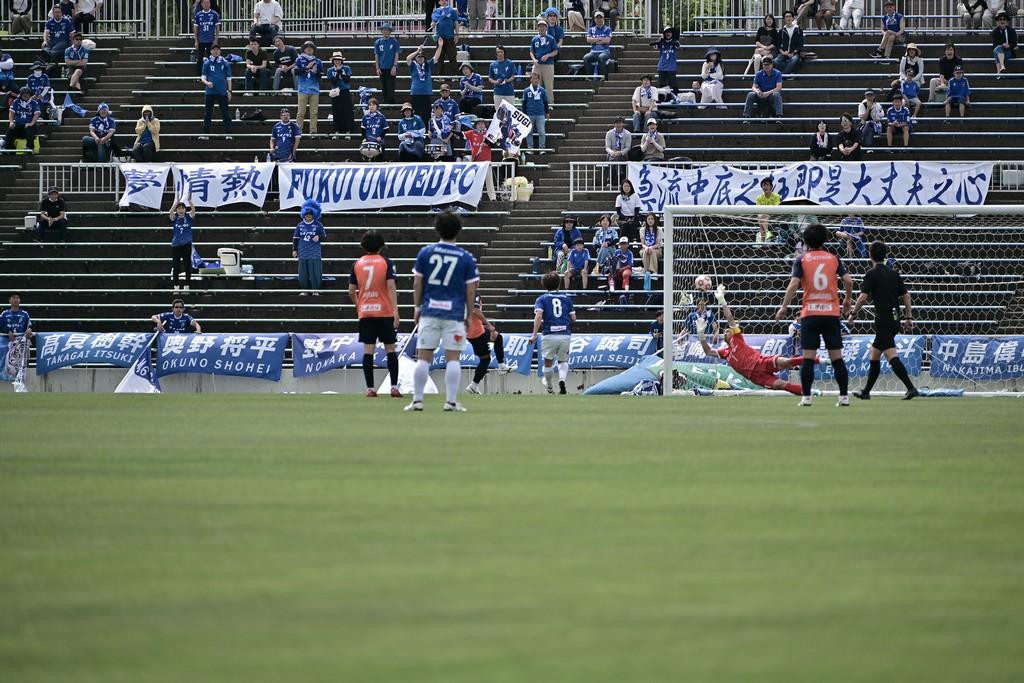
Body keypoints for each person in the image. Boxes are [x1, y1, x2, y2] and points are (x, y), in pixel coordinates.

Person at [774, 222, 854, 406]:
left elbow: (794, 284)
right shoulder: (833, 259)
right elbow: (848, 281)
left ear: (806, 241)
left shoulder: (802, 259)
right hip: (831, 314)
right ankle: (843, 397)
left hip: (810, 314)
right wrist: (847, 300)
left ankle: (807, 398)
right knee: (837, 358)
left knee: (808, 358)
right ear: (824, 239)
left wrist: (784, 307)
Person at [407, 211, 480, 413]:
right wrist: (468, 314)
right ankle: (451, 402)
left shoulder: (425, 253)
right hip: (454, 314)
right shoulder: (466, 257)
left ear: (437, 229)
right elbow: (471, 289)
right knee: (453, 358)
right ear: (458, 231)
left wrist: (417, 307)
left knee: (423, 357)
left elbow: (417, 283)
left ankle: (417, 401)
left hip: (430, 311)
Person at [695, 287, 804, 395]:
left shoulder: (737, 338)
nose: (725, 332)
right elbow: (708, 351)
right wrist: (701, 335)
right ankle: (807, 393)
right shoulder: (725, 353)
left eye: (728, 331)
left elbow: (730, 319)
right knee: (780, 385)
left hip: (761, 363)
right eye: (724, 331)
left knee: (786, 362)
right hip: (756, 377)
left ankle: (812, 359)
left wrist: (723, 301)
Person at [848, 240, 919, 400]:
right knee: (874, 354)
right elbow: (906, 295)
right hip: (894, 319)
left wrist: (853, 313)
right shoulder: (894, 273)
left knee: (891, 355)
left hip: (883, 320)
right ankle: (866, 392)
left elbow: (863, 297)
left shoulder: (871, 274)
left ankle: (911, 388)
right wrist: (908, 317)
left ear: (870, 255)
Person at [348, 230, 402, 398]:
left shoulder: (357, 264)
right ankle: (394, 387)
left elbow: (351, 291)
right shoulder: (386, 262)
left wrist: (359, 306)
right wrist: (395, 311)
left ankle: (370, 388)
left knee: (368, 350)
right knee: (390, 349)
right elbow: (391, 286)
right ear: (381, 246)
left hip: (366, 313)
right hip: (384, 312)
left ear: (364, 246)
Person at [530, 271, 576, 394]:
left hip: (549, 334)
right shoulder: (567, 298)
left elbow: (538, 316)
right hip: (565, 334)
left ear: (544, 285)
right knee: (563, 361)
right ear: (559, 284)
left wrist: (534, 334)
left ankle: (549, 386)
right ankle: (562, 380)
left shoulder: (541, 299)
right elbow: (574, 318)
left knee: (548, 362)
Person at [465, 294, 510, 394]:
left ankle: (501, 366)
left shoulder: (461, 293)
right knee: (485, 359)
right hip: (476, 333)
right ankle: (473, 385)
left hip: (471, 331)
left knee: (497, 337)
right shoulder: (473, 294)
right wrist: (488, 325)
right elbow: (476, 310)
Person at [293, 199, 325, 296]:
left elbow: (324, 236)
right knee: (303, 272)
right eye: (306, 214)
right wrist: (295, 249)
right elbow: (296, 238)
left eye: (310, 214)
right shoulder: (300, 225)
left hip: (315, 252)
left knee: (315, 271)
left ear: (314, 214)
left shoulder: (318, 225)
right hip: (303, 252)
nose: (308, 215)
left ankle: (315, 289)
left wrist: (319, 237)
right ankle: (305, 290)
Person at [199, 43, 232, 140]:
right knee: (207, 113)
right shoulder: (207, 63)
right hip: (210, 92)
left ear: (220, 51)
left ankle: (228, 133)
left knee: (225, 113)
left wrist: (230, 91)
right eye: (214, 50)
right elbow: (203, 77)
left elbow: (229, 78)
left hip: (222, 92)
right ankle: (206, 133)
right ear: (211, 51)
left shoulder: (225, 63)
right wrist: (207, 83)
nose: (216, 51)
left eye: (217, 49)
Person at [407, 41, 443, 125]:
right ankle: (417, 129)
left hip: (426, 92)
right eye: (418, 57)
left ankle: (426, 130)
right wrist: (417, 51)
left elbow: (436, 57)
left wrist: (440, 46)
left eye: (422, 57)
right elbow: (408, 58)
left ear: (424, 58)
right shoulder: (413, 65)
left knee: (426, 114)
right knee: (416, 114)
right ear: (416, 58)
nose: (420, 58)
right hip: (415, 93)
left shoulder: (428, 65)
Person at [166, 197, 196, 292]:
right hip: (176, 245)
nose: (181, 210)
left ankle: (187, 285)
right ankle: (176, 286)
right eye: (179, 208)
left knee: (187, 265)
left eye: (183, 208)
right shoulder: (174, 218)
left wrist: (189, 201)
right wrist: (176, 202)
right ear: (177, 210)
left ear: (185, 209)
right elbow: (170, 212)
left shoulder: (188, 217)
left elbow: (193, 210)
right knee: (176, 265)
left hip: (187, 244)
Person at [464, 117, 496, 200]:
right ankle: (478, 197)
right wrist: (453, 129)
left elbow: (494, 144)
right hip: (476, 162)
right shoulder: (471, 133)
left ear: (485, 125)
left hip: (487, 161)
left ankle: (493, 197)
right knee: (477, 181)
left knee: (489, 180)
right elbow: (462, 135)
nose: (481, 125)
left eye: (482, 123)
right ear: (476, 125)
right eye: (479, 124)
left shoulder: (489, 134)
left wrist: (488, 142)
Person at [743, 56, 783, 121]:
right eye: (765, 65)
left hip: (771, 95)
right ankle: (746, 116)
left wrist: (767, 93)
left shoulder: (777, 73)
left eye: (768, 65)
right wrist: (757, 92)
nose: (766, 66)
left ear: (772, 65)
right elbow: (754, 87)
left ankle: (779, 116)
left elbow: (779, 87)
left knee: (776, 94)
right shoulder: (759, 74)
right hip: (761, 95)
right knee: (750, 94)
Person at [3, 87, 41, 154]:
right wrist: (11, 122)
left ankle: (30, 148)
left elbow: (37, 113)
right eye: (23, 93)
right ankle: (8, 149)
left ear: (30, 94)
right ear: (21, 94)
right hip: (19, 126)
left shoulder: (34, 103)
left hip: (29, 126)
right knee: (10, 130)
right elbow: (11, 112)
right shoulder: (16, 101)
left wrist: (31, 123)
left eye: (27, 93)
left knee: (29, 130)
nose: (25, 95)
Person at [295, 41, 321, 135]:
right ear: (304, 49)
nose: (309, 48)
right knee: (301, 112)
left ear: (314, 49)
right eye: (307, 47)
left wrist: (315, 72)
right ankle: (298, 131)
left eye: (311, 47)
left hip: (314, 89)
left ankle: (313, 131)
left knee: (314, 113)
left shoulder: (318, 61)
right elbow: (296, 72)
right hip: (303, 89)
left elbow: (320, 76)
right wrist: (307, 67)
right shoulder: (299, 59)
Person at [530, 18, 558, 103]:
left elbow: (555, 51)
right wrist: (534, 59)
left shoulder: (551, 39)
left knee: (549, 86)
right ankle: (537, 103)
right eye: (540, 26)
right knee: (536, 85)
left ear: (546, 28)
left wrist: (548, 55)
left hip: (548, 64)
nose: (541, 28)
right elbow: (531, 51)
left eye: (543, 26)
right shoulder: (534, 39)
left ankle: (550, 103)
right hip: (537, 64)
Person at [326, 51, 352, 136]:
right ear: (333, 61)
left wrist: (340, 71)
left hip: (345, 91)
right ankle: (337, 129)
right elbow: (333, 81)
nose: (337, 61)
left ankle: (348, 129)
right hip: (335, 92)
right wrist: (338, 72)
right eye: (335, 60)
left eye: (339, 60)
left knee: (347, 110)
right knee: (336, 111)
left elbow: (347, 80)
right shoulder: (330, 70)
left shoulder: (347, 68)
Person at [374, 23, 401, 105]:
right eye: (384, 30)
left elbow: (396, 54)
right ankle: (385, 101)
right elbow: (377, 55)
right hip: (382, 67)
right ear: (382, 31)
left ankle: (391, 101)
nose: (385, 32)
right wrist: (377, 68)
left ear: (390, 32)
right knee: (384, 85)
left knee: (391, 85)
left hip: (391, 66)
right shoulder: (378, 42)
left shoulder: (394, 41)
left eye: (387, 30)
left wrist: (394, 66)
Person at [522, 71, 549, 152]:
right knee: (529, 132)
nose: (535, 80)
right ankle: (530, 148)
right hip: (529, 114)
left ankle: (542, 148)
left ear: (539, 80)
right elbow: (524, 103)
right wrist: (524, 114)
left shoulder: (542, 90)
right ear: (530, 80)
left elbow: (545, 102)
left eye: (536, 78)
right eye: (533, 78)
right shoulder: (526, 91)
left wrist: (547, 112)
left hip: (540, 114)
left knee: (541, 132)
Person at [430, 0, 459, 76]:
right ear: (439, 2)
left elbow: (456, 22)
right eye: (442, 0)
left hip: (450, 37)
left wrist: (457, 34)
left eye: (445, 0)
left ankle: (455, 75)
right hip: (440, 38)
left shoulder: (452, 10)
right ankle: (440, 75)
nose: (443, 1)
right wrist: (432, 24)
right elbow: (433, 22)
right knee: (439, 57)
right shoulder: (436, 11)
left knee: (452, 57)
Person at [582, 11, 613, 80]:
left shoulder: (608, 29)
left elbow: (607, 40)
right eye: (597, 18)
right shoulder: (591, 29)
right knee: (586, 57)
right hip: (593, 51)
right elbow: (588, 40)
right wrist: (600, 39)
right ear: (594, 19)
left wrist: (594, 41)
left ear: (603, 18)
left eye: (600, 18)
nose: (599, 19)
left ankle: (601, 77)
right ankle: (589, 77)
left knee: (601, 57)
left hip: (605, 51)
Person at [192, 0, 220, 77]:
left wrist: (216, 39)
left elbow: (217, 27)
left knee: (211, 58)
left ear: (210, 4)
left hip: (210, 40)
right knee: (200, 58)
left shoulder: (214, 14)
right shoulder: (198, 15)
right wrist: (196, 41)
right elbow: (196, 28)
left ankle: (211, 75)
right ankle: (199, 76)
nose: (206, 4)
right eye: (204, 3)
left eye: (208, 3)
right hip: (201, 40)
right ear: (201, 4)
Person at [488, 45, 516, 109]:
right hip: (498, 91)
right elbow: (490, 78)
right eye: (498, 52)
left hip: (509, 91)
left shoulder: (510, 63)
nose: (500, 53)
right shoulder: (492, 65)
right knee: (498, 111)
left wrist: (507, 80)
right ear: (496, 54)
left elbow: (513, 76)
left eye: (501, 52)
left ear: (504, 53)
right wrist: (495, 82)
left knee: (510, 111)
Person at [652, 26, 680, 90]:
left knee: (673, 85)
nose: (668, 33)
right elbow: (655, 46)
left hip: (671, 67)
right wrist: (659, 41)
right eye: (666, 32)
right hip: (662, 67)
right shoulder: (661, 42)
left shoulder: (675, 42)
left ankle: (675, 96)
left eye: (670, 32)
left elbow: (678, 46)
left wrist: (672, 42)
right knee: (661, 85)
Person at [609, 236, 633, 303]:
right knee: (611, 274)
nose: (623, 245)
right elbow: (614, 261)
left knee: (626, 274)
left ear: (628, 244)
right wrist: (614, 269)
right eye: (622, 243)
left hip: (626, 269)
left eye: (625, 243)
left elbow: (630, 265)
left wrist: (621, 269)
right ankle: (612, 287)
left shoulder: (630, 253)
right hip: (618, 269)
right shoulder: (616, 252)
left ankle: (625, 289)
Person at [755, 176, 779, 243]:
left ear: (771, 186)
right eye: (763, 185)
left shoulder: (776, 196)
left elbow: (777, 208)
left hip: (773, 216)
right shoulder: (759, 198)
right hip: (763, 218)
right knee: (761, 215)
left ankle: (763, 238)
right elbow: (758, 210)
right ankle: (767, 232)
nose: (765, 187)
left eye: (767, 185)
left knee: (761, 216)